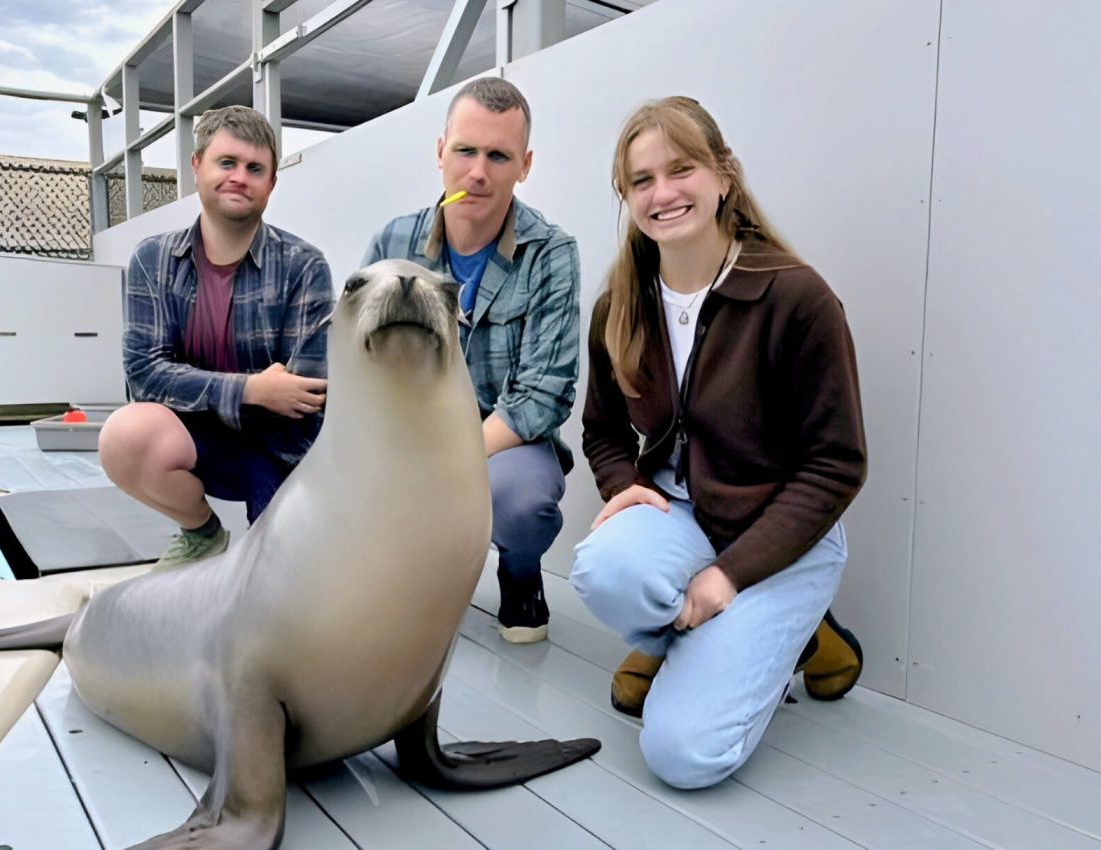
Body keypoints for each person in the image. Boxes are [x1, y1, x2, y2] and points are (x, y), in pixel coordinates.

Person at [570, 96, 867, 788]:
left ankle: (785, 629)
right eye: (642, 180)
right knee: (603, 568)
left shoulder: (797, 299)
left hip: (782, 537)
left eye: (682, 170)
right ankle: (695, 636)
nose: (663, 193)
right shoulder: (621, 304)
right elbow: (602, 430)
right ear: (626, 196)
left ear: (724, 175)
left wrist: (728, 576)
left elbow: (835, 464)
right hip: (681, 515)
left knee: (684, 757)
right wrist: (626, 489)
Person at [363, 78, 581, 644]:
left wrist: (447, 459)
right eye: (465, 151)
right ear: (441, 152)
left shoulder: (552, 253)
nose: (478, 172)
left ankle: (520, 573)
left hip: (508, 443)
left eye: (498, 156)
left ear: (525, 165)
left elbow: (544, 394)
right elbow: (361, 358)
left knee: (523, 504)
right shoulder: (392, 242)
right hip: (414, 434)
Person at [99, 106, 334, 570]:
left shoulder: (305, 266)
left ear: (271, 183)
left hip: (279, 450)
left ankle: (281, 537)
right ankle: (201, 532)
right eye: (227, 162)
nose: (239, 178)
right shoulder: (153, 260)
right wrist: (252, 389)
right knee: (125, 435)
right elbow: (144, 375)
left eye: (255, 169)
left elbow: (304, 400)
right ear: (197, 166)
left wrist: (201, 390)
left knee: (285, 582)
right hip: (196, 440)